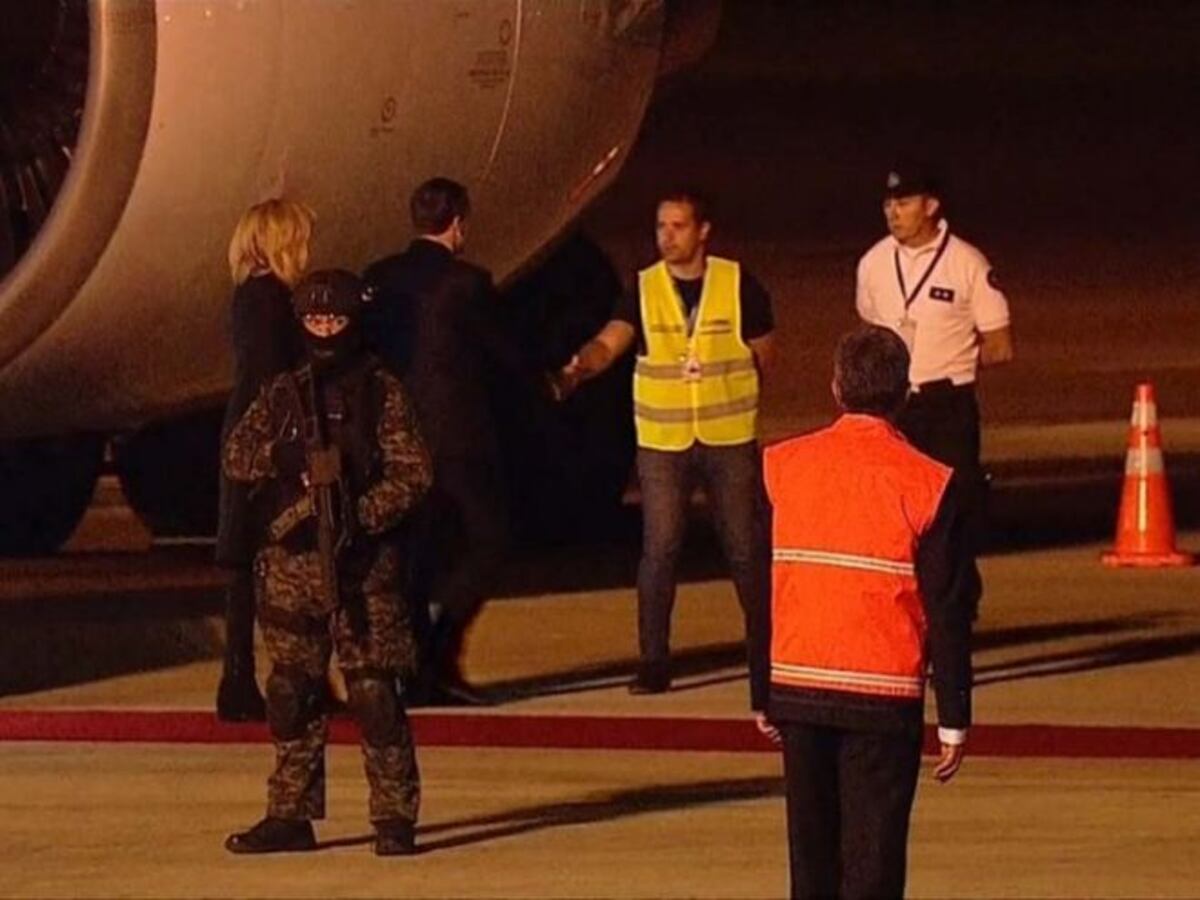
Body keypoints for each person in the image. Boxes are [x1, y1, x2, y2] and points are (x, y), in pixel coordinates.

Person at [755, 325, 973, 899]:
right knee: (873, 865)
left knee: (812, 865)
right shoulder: (929, 483)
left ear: (835, 388)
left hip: (799, 687)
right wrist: (953, 714)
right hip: (881, 698)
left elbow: (760, 587)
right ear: (903, 395)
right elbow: (949, 607)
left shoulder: (780, 467)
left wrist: (764, 690)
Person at [222, 269, 432, 856]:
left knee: (374, 695)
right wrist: (287, 459)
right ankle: (290, 813)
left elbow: (414, 472)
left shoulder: (380, 391)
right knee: (291, 692)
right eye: (314, 321)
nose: (324, 330)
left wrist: (360, 515)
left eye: (335, 320)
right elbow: (238, 456)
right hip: (291, 566)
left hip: (362, 568)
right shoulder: (284, 393)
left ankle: (393, 815)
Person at [554, 189, 775, 694]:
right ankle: (654, 661)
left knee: (745, 550)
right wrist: (579, 367)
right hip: (664, 441)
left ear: (703, 231)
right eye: (660, 227)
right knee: (660, 550)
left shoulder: (739, 285)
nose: (666, 237)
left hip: (727, 438)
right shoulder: (644, 287)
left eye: (677, 227)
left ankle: (766, 661)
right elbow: (611, 340)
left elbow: (764, 354)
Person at [364, 177, 531, 706]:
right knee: (489, 541)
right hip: (459, 437)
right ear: (457, 223)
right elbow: (507, 357)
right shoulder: (468, 283)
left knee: (413, 554)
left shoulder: (380, 278)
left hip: (395, 438)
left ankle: (411, 667)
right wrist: (549, 384)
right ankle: (441, 648)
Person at [855, 163, 1013, 618]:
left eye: (903, 203)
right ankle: (907, 610)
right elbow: (869, 327)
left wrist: (959, 357)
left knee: (952, 514)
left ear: (931, 205)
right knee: (895, 515)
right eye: (887, 204)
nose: (893, 212)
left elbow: (1001, 345)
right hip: (894, 407)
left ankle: (957, 606)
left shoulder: (967, 263)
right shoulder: (873, 263)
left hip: (948, 406)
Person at [215, 198, 314, 722]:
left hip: (246, 427)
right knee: (286, 555)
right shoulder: (270, 299)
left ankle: (239, 677)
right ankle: (289, 677)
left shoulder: (247, 295)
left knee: (246, 562)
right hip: (266, 435)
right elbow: (274, 374)